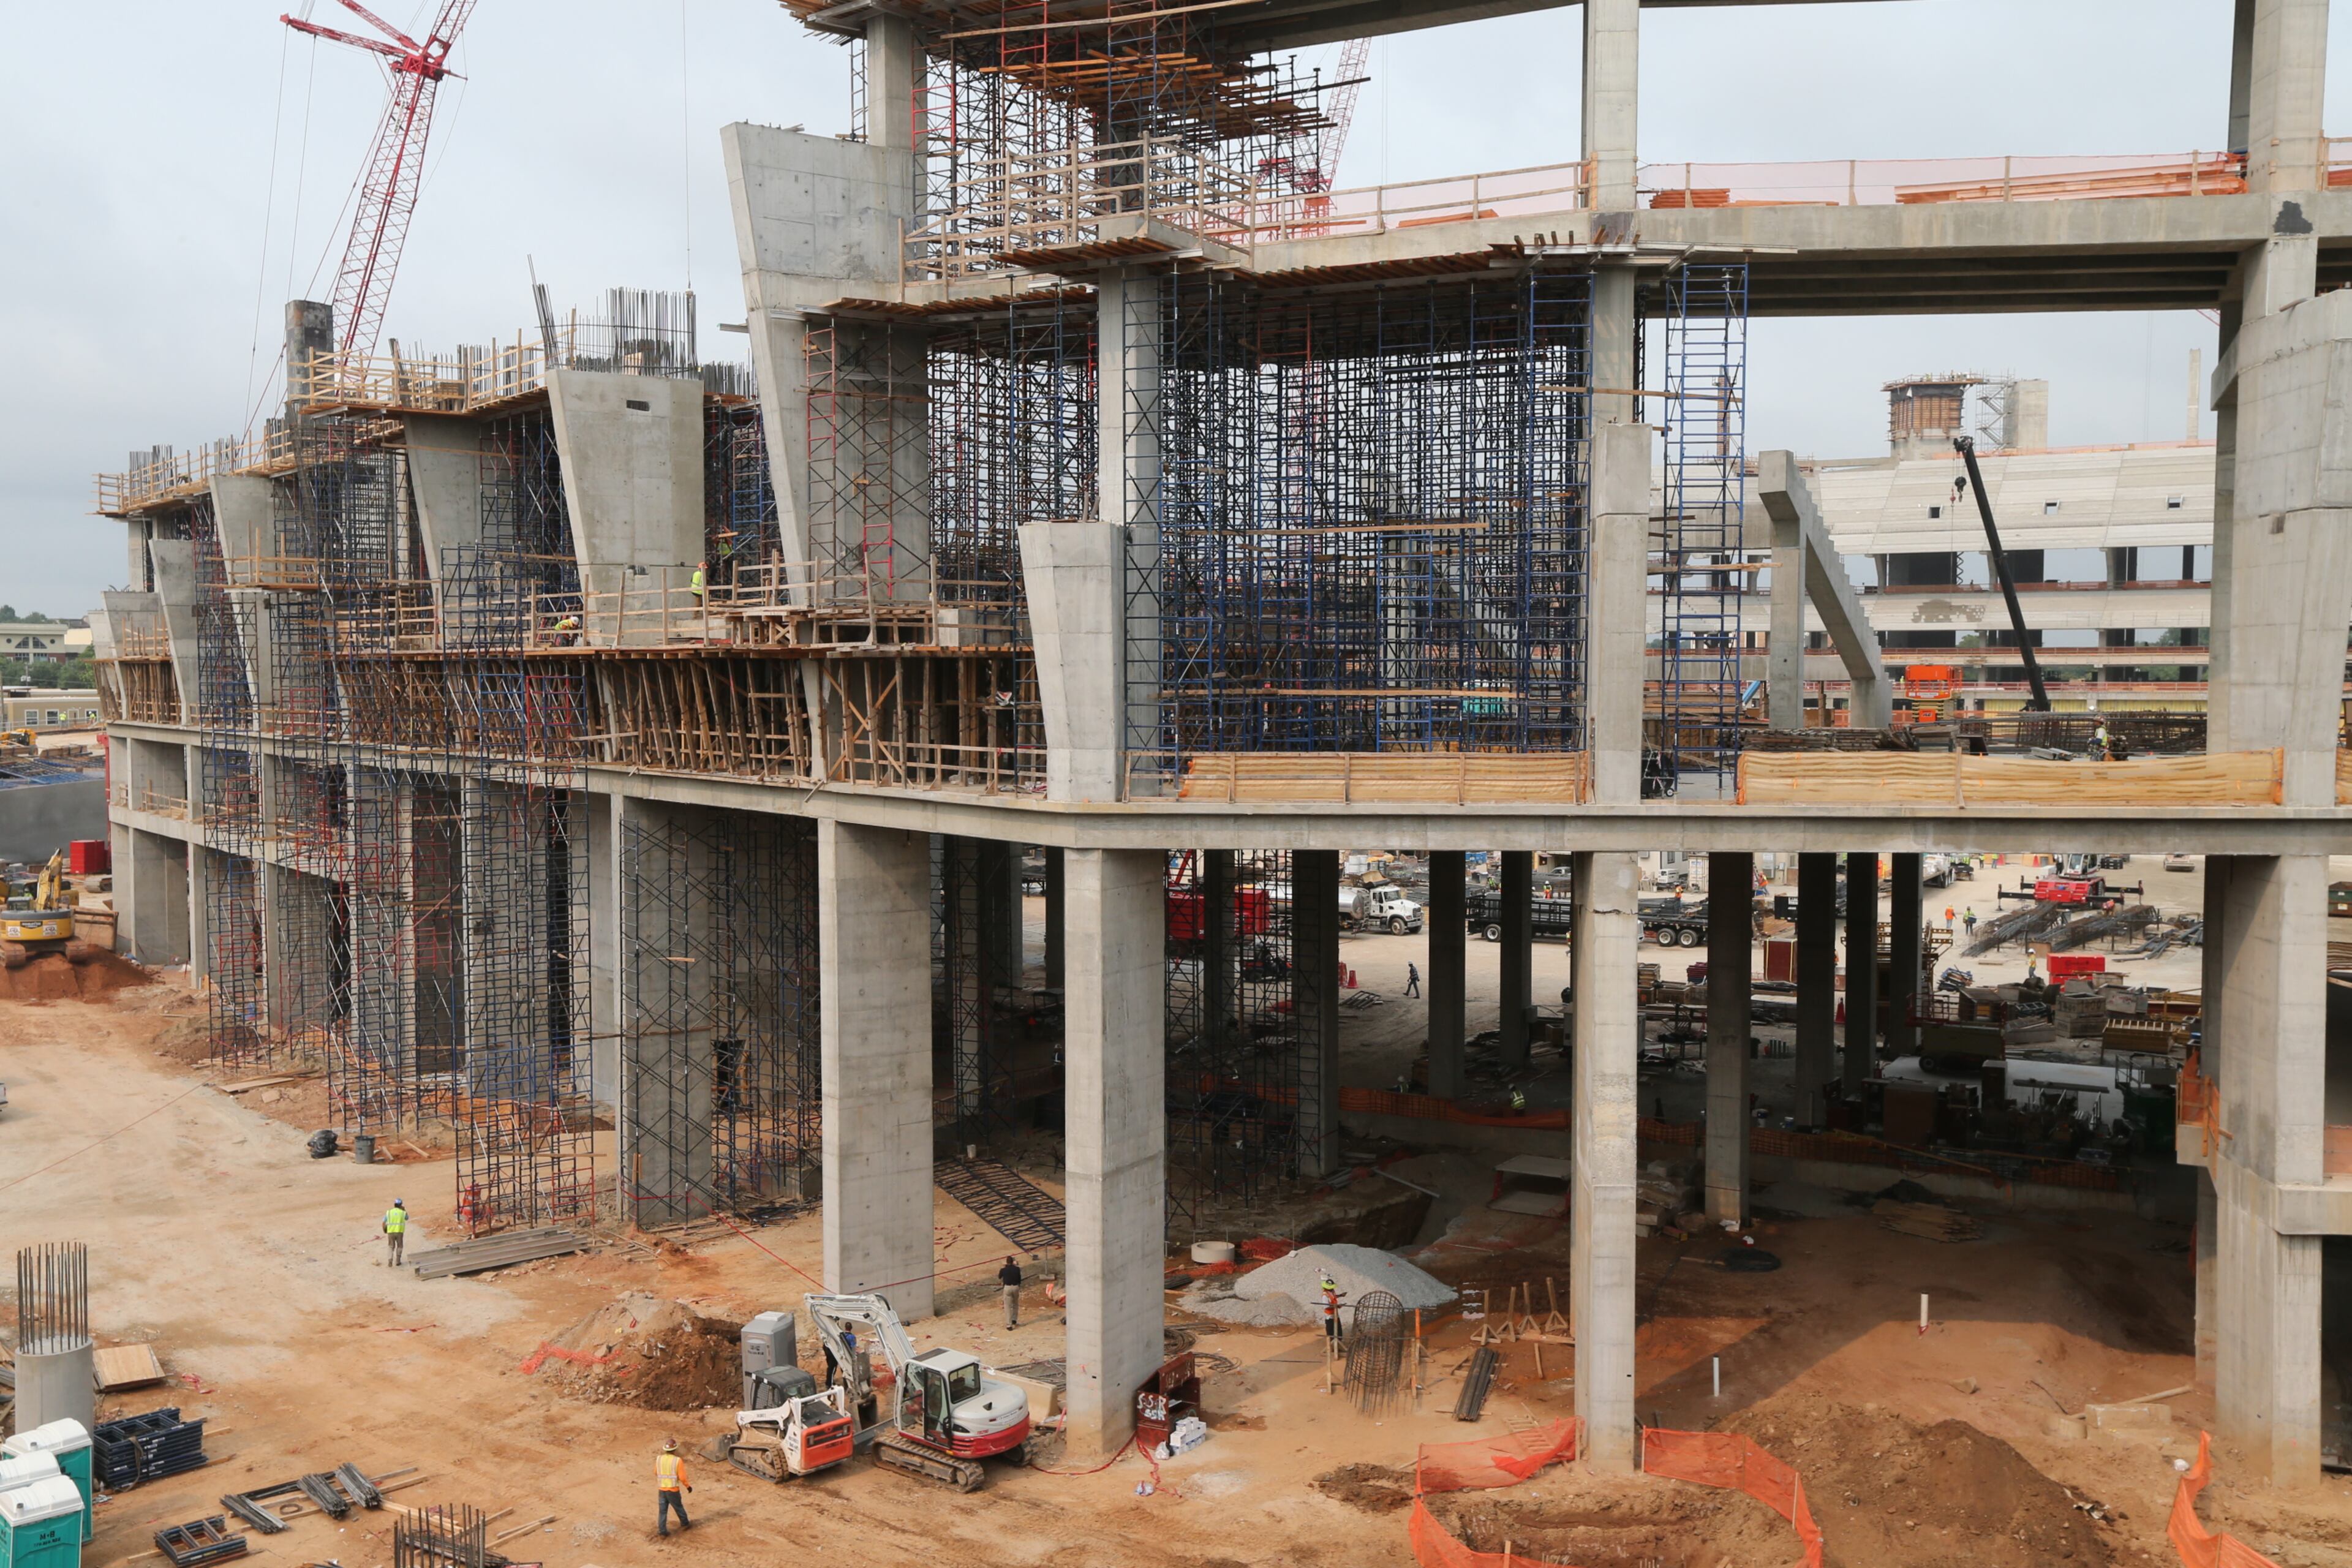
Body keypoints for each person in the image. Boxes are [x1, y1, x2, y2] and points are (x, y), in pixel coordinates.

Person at [655, 1439, 692, 1537]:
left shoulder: (659, 1459)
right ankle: (685, 1524)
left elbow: (655, 1472)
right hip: (673, 1490)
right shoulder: (677, 1461)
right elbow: (682, 1477)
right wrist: (688, 1487)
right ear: (675, 1450)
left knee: (662, 1511)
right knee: (678, 1507)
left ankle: (662, 1531)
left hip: (662, 1490)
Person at [1319, 1275, 1347, 1349]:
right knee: (1331, 1333)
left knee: (1339, 1331)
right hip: (1330, 1317)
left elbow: (1334, 1297)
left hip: (1335, 1315)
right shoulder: (1325, 1296)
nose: (1332, 1289)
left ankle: (1337, 1346)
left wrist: (1341, 1295)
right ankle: (1332, 1348)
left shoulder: (1332, 1291)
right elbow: (1326, 1306)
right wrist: (1337, 1306)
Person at [998, 1255, 1024, 1329]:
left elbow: (1000, 1277)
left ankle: (1009, 1325)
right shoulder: (1017, 1269)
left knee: (1008, 1306)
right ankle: (1014, 1319)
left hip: (1007, 1287)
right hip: (1016, 1287)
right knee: (1015, 1303)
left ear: (1007, 1262)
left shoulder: (1004, 1270)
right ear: (1013, 1262)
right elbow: (1019, 1279)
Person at [382, 1200, 408, 1267]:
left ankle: (390, 1261)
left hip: (390, 1232)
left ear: (395, 1204)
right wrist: (404, 1210)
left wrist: (384, 1230)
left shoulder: (389, 1212)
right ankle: (398, 1261)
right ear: (401, 1205)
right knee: (400, 1246)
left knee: (391, 1246)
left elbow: (384, 1222)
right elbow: (407, 1218)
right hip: (399, 1232)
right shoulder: (402, 1212)